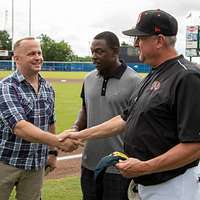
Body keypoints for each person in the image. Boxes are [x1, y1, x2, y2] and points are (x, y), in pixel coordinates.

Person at [63, 10, 200, 200]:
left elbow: (194, 146)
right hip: (148, 183)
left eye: (140, 38)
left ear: (159, 41)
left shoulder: (187, 77)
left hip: (174, 186)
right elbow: (125, 118)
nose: (135, 44)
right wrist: (80, 134)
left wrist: (144, 167)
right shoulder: (154, 74)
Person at [0, 37, 81, 200]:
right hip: (6, 162)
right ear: (16, 58)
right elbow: (20, 127)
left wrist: (52, 153)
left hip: (35, 165)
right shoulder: (7, 87)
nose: (38, 57)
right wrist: (58, 140)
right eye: (31, 53)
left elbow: (50, 121)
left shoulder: (47, 87)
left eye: (39, 52)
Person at [72, 31, 141, 200]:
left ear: (115, 51)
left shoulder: (135, 82)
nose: (94, 56)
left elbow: (138, 124)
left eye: (100, 51)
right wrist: (75, 129)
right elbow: (85, 109)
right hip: (89, 164)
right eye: (92, 51)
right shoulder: (88, 79)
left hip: (119, 167)